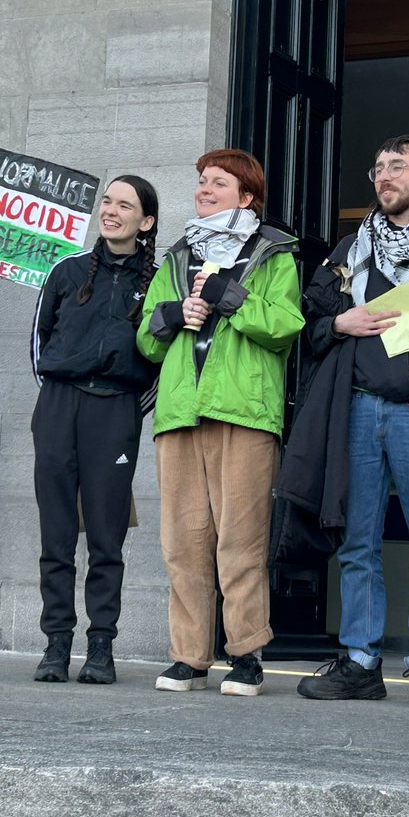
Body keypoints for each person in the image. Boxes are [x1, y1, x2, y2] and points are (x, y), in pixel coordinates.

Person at [282, 136, 409, 710]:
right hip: (356, 409)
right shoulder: (351, 250)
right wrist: (339, 324)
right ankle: (360, 663)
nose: (383, 175)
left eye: (397, 166)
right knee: (357, 543)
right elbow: (311, 324)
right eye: (377, 167)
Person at [137, 149, 304, 697]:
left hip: (245, 414)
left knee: (240, 540)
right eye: (202, 182)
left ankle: (246, 653)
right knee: (183, 543)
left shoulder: (273, 253)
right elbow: (145, 339)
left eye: (218, 183)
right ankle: (189, 657)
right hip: (181, 414)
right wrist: (167, 318)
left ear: (247, 196)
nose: (204, 190)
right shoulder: (178, 257)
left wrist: (231, 298)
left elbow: (285, 326)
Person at [27, 175, 159, 685]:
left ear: (144, 222)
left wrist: (129, 410)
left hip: (116, 412)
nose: (111, 210)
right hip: (59, 406)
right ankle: (55, 644)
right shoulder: (67, 271)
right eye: (107, 200)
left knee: (106, 536)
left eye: (124, 205)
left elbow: (160, 360)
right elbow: (38, 346)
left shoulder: (156, 281)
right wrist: (56, 397)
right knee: (56, 533)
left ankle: (100, 646)